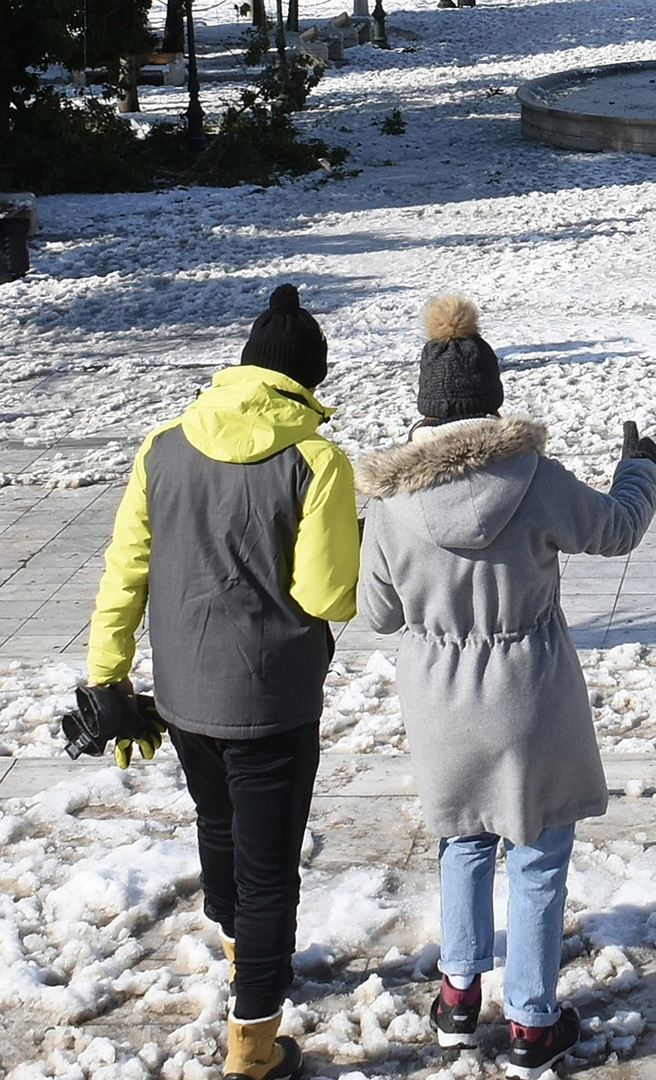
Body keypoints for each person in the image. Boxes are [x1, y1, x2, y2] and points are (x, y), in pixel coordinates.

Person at [356, 295, 656, 1080]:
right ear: (493, 399)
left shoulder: (389, 501)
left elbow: (379, 616)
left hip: (438, 698)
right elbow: (617, 530)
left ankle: (457, 997)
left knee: (461, 840)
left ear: (423, 409)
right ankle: (531, 1022)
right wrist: (639, 470)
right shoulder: (533, 477)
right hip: (529, 691)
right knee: (536, 853)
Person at [85, 284, 360, 1080]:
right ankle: (254, 1045)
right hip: (271, 699)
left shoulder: (162, 445)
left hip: (180, 695)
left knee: (218, 830)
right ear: (311, 378)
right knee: (270, 867)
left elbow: (125, 571)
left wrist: (108, 676)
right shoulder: (315, 458)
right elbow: (326, 596)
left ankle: (246, 958)